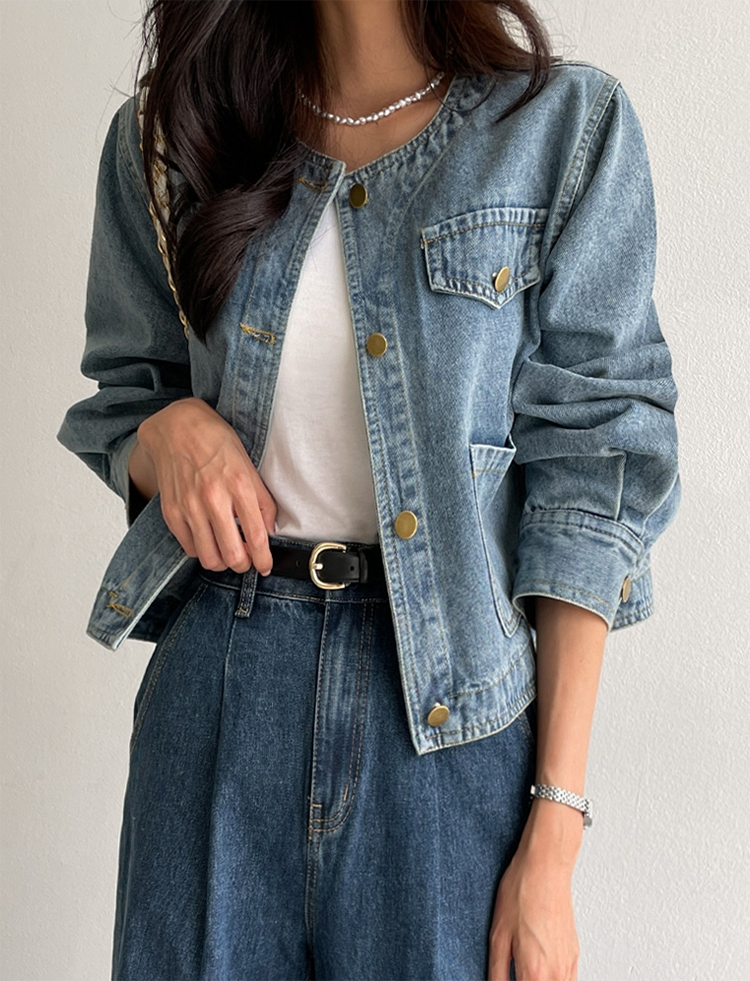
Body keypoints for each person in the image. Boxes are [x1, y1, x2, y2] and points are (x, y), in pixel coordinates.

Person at [58, 1, 680, 979]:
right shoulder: (173, 136)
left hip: (445, 724)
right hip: (221, 695)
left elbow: (595, 472)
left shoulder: (560, 129)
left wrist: (555, 832)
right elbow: (125, 393)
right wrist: (165, 434)